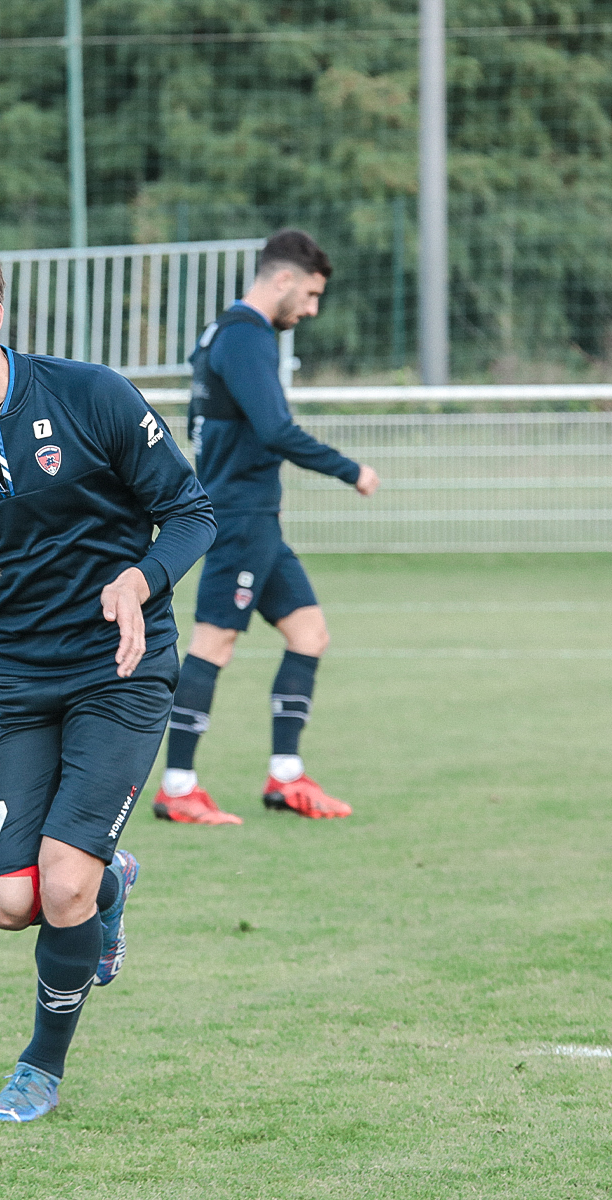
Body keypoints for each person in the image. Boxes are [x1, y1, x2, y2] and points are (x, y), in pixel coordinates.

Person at [0, 227, 216, 1122]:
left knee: (60, 881)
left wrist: (141, 578)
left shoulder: (89, 396)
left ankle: (40, 1068)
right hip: (18, 688)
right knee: (6, 901)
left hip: (122, 672)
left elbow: (189, 510)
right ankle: (112, 880)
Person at [151, 229, 379, 826]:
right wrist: (349, 469)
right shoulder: (247, 339)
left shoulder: (218, 333)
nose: (310, 309)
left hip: (257, 519)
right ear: (282, 279)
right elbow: (276, 429)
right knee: (213, 641)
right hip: (238, 517)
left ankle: (285, 778)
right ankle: (177, 786)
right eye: (308, 294)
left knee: (309, 633)